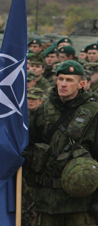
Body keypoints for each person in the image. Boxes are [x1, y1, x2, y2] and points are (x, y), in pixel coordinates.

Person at [23, 60, 98, 226]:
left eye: (69, 80)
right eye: (60, 79)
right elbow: (30, 145)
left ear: (82, 84)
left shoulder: (93, 112)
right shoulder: (44, 109)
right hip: (47, 200)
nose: (63, 84)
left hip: (80, 202)